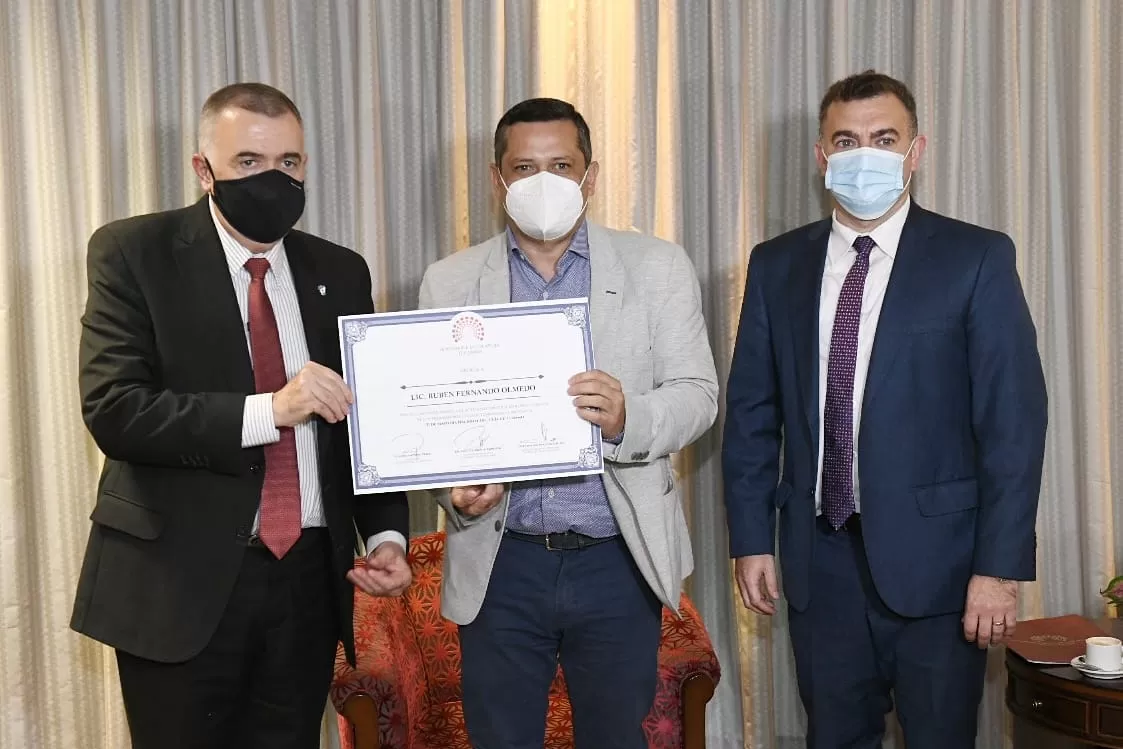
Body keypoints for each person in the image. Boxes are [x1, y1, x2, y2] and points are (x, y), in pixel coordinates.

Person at [71, 82, 411, 749]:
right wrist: (271, 410)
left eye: (289, 162)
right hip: (179, 582)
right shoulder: (134, 253)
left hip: (307, 582)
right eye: (249, 163)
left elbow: (364, 423)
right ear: (205, 171)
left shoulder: (338, 270)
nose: (274, 180)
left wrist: (388, 536)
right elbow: (114, 408)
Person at [722, 70, 1048, 749]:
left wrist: (999, 566)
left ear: (915, 150)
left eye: (882, 138)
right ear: (820, 156)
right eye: (845, 139)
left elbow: (1011, 424)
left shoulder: (975, 257)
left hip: (944, 569)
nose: (862, 153)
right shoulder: (776, 265)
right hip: (820, 561)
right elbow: (752, 414)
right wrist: (751, 536)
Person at [417, 97, 718, 749]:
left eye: (561, 164)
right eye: (524, 167)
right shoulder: (449, 282)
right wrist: (454, 491)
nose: (542, 182)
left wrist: (628, 415)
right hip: (501, 561)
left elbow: (697, 394)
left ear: (590, 175)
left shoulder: (656, 267)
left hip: (615, 557)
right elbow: (434, 422)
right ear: (497, 179)